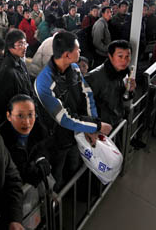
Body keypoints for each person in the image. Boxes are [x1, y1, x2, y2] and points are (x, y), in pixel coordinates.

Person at [35, 31, 112, 190]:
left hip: (77, 132)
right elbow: (64, 118)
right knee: (57, 175)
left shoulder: (74, 68)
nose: (80, 51)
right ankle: (57, 208)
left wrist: (91, 124)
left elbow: (87, 95)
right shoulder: (44, 83)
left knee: (74, 166)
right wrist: (96, 126)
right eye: (78, 49)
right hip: (56, 139)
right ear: (67, 55)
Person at [0, 94, 52, 186]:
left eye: (31, 115)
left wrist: (41, 159)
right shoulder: (0, 141)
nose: (27, 122)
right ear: (9, 116)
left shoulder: (40, 131)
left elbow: (44, 150)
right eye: (20, 116)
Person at [85, 40, 135, 129]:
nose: (124, 60)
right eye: (120, 56)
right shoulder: (95, 77)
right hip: (102, 125)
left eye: (127, 56)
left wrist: (130, 91)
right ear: (110, 56)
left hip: (116, 119)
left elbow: (123, 97)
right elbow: (85, 106)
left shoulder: (124, 72)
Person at [0, 30, 36, 121]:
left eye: (25, 43)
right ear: (10, 47)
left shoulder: (20, 61)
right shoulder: (7, 71)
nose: (24, 47)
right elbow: (10, 100)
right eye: (20, 44)